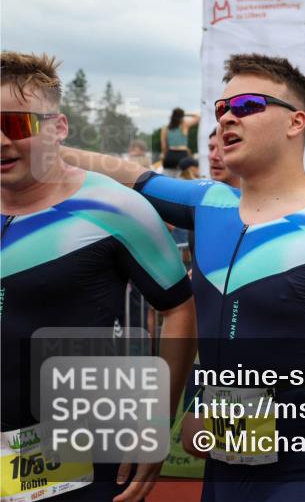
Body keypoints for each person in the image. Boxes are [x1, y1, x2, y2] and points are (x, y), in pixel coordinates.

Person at [61, 54, 305, 502]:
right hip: (224, 466)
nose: (228, 115)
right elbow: (131, 175)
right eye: (220, 109)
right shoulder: (209, 204)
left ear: (296, 122)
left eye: (247, 105)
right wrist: (40, 147)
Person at [0, 51, 197, 502]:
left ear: (58, 128)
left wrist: (156, 420)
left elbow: (179, 307)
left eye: (15, 125)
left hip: (72, 453)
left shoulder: (116, 208)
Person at [160, 107, 199, 175]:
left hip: (170, 155)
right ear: (182, 116)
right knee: (185, 178)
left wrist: (166, 156)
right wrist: (185, 114)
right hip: (182, 155)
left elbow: (164, 147)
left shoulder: (166, 128)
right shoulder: (185, 125)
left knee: (169, 178)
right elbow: (198, 117)